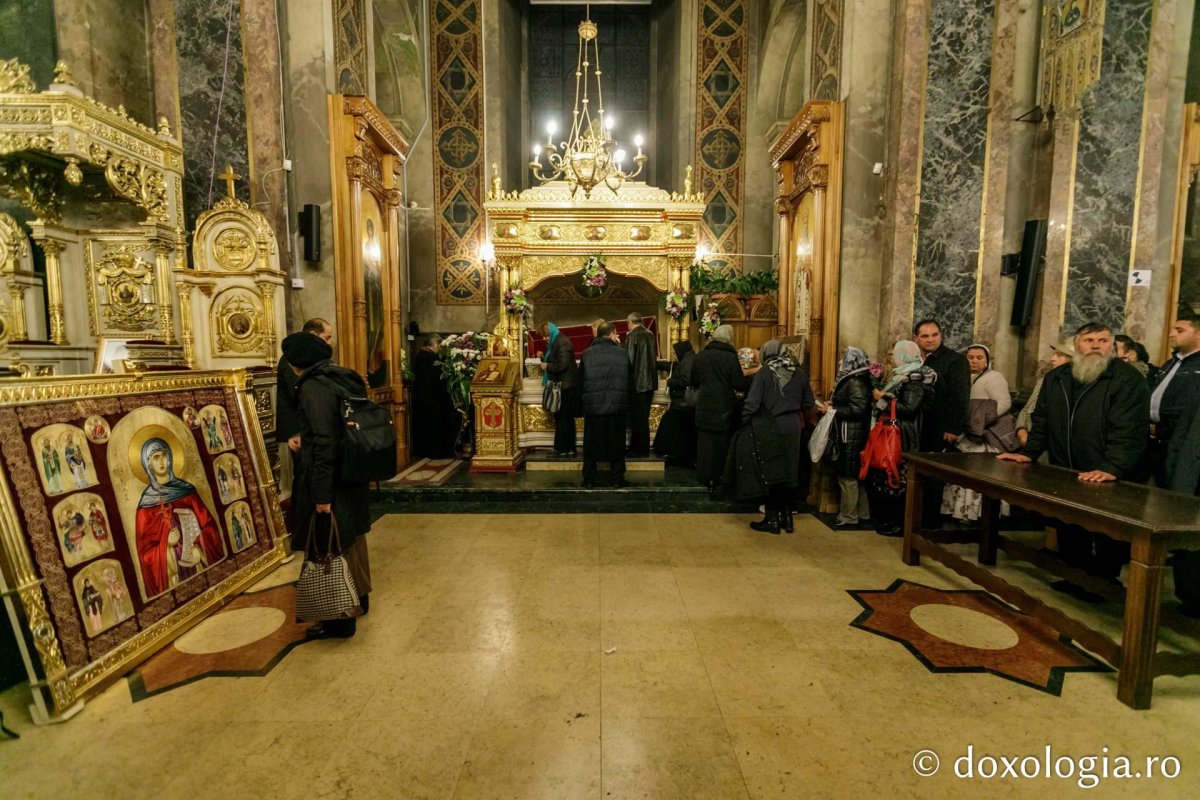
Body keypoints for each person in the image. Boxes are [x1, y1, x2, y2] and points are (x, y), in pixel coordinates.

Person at [999, 322, 1150, 601]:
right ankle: (1075, 576)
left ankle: (1104, 582)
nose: (1096, 346)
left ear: (1112, 346)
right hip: (1066, 468)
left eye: (1103, 341)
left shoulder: (1127, 379)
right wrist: (1029, 452)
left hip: (1108, 473)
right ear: (1077, 345)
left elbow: (1129, 431)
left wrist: (1111, 468)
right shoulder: (1057, 378)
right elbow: (1041, 420)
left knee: (1107, 535)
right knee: (1069, 526)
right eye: (1089, 340)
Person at [285, 331, 374, 639]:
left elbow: (324, 441)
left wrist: (321, 495)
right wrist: (305, 441)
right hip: (352, 471)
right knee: (351, 538)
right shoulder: (344, 376)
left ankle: (339, 618)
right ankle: (359, 600)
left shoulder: (314, 386)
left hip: (331, 478)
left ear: (296, 363)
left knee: (329, 542)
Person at [1147, 316, 1200, 614]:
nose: (1172, 334)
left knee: (1184, 519)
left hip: (1183, 449)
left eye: (1180, 330)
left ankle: (1191, 595)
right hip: (1159, 445)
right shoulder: (1173, 363)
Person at [733, 340, 814, 533]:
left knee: (771, 471)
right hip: (793, 426)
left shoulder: (764, 373)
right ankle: (787, 520)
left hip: (769, 426)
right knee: (790, 471)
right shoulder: (800, 373)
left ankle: (772, 519)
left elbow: (752, 403)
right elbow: (808, 401)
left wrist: (743, 421)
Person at [135, 438, 226, 598]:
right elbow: (145, 555)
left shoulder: (187, 492)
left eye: (164, 456)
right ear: (148, 464)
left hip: (198, 564)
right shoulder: (145, 507)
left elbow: (210, 526)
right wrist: (165, 544)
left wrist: (200, 547)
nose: (161, 461)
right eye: (156, 458)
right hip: (174, 576)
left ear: (169, 458)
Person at [867, 341, 937, 537]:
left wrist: (883, 398)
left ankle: (900, 523)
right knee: (889, 478)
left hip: (905, 435)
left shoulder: (914, 379)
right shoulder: (901, 376)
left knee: (900, 480)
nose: (892, 358)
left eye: (895, 354)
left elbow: (909, 408)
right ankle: (889, 520)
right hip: (894, 432)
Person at [941, 345, 1013, 523]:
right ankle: (962, 512)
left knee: (981, 472)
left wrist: (982, 420)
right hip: (967, 431)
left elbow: (1004, 403)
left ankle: (980, 513)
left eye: (979, 357)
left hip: (985, 434)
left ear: (987, 359)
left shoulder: (994, 377)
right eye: (970, 357)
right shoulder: (964, 376)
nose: (974, 361)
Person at [913, 319, 970, 523]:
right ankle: (914, 518)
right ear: (916, 339)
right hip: (917, 425)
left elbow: (960, 396)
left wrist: (953, 427)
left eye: (934, 335)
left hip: (939, 426)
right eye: (925, 336)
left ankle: (929, 522)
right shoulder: (915, 359)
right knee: (916, 472)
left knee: (932, 475)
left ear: (941, 335)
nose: (930, 339)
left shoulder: (954, 360)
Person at [691, 325, 752, 497]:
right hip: (724, 408)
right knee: (721, 446)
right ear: (729, 338)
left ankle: (705, 477)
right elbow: (738, 383)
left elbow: (693, 379)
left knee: (705, 444)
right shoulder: (729, 357)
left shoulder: (701, 355)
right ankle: (719, 480)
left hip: (703, 407)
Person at [578, 322, 632, 488]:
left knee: (591, 444)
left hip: (593, 407)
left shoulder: (587, 354)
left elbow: (580, 381)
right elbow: (630, 381)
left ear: (597, 334)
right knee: (617, 443)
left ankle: (589, 478)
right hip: (617, 406)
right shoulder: (622, 354)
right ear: (612, 334)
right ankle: (617, 478)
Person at [823, 346, 873, 527]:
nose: (839, 362)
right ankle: (863, 514)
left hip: (850, 434)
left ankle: (849, 516)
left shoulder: (855, 381)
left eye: (843, 358)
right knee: (854, 476)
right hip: (850, 432)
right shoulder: (855, 379)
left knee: (848, 476)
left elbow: (858, 409)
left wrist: (832, 409)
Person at [276, 318, 334, 464]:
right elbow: (300, 394)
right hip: (299, 430)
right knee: (303, 475)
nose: (330, 343)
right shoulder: (292, 359)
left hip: (311, 428)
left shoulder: (309, 358)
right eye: (327, 337)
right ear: (314, 334)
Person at [1016, 342, 1074, 448]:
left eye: (1059, 355)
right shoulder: (1045, 380)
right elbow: (1027, 408)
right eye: (1054, 354)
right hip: (1031, 443)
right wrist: (1021, 430)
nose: (1052, 359)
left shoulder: (1074, 385)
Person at [410, 334, 458, 459]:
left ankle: (426, 451)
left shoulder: (422, 356)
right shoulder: (430, 359)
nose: (440, 349)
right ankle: (437, 452)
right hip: (433, 401)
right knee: (435, 426)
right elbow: (437, 380)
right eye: (440, 346)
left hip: (425, 399)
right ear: (435, 344)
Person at [653, 340, 697, 467]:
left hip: (683, 403)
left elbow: (686, 380)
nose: (674, 354)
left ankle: (669, 452)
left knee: (669, 423)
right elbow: (672, 365)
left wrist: (670, 382)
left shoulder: (688, 362)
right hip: (681, 403)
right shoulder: (687, 359)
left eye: (675, 352)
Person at [540, 321, 580, 457]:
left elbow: (562, 365)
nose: (544, 338)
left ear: (551, 332)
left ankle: (563, 448)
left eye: (546, 335)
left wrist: (547, 366)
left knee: (563, 418)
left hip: (565, 387)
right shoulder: (555, 342)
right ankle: (567, 448)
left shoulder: (562, 342)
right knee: (564, 418)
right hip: (563, 386)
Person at [624, 313, 657, 457]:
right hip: (650, 383)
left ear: (630, 322)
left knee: (637, 419)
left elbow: (629, 361)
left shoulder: (632, 336)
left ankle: (637, 449)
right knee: (644, 419)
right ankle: (642, 448)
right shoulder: (650, 335)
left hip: (637, 383)